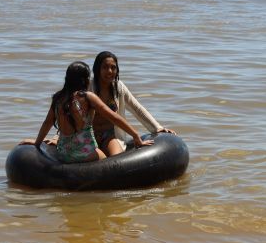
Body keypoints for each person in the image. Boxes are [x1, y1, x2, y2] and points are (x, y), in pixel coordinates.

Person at [20, 61, 153, 163]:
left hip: (64, 154)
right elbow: (113, 117)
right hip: (85, 153)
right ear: (85, 79)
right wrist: (136, 136)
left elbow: (47, 122)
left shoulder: (58, 98)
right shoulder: (87, 97)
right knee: (109, 162)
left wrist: (37, 143)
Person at [90, 51, 175, 156]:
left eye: (113, 67)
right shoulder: (88, 88)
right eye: (105, 67)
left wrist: (157, 128)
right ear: (98, 69)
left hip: (110, 135)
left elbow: (137, 108)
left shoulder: (118, 87)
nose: (109, 71)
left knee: (117, 160)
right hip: (89, 135)